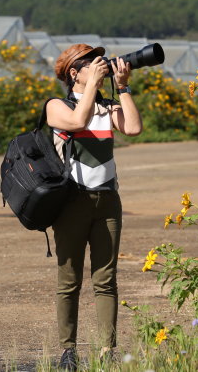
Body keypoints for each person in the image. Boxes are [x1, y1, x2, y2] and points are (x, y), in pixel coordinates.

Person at [46, 43, 142, 369]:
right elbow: (76, 120)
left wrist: (123, 86)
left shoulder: (107, 106)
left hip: (108, 201)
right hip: (71, 201)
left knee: (106, 279)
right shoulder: (56, 106)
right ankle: (68, 350)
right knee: (69, 280)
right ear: (74, 73)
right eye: (91, 65)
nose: (99, 68)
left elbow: (133, 127)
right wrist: (91, 90)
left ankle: (106, 352)